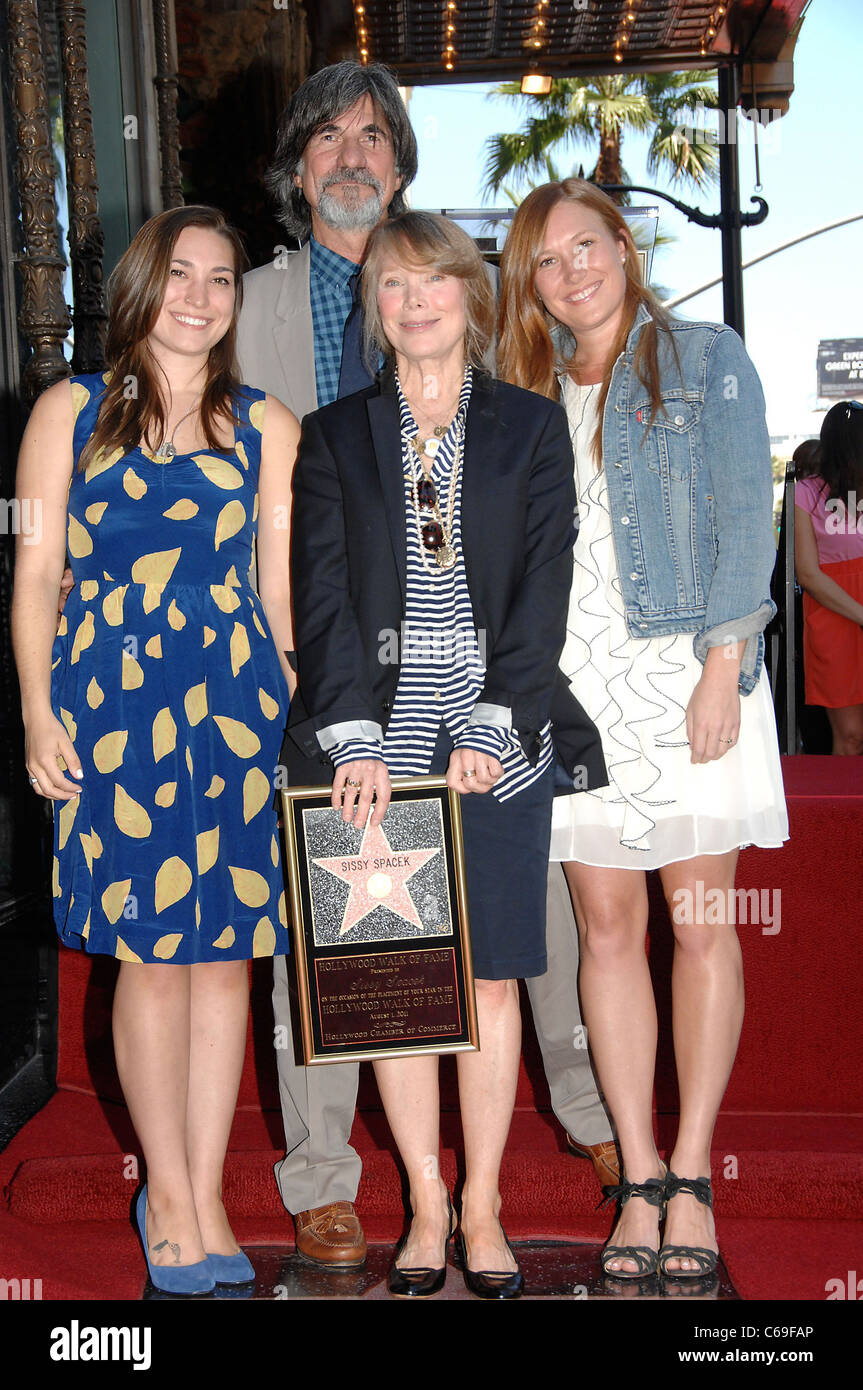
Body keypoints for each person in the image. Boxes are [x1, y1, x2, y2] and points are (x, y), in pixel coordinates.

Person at [236, 59, 616, 1271]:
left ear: (465, 289)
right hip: (376, 739)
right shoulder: (337, 436)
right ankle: (425, 1203)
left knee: (494, 981)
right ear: (377, 307)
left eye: (430, 280)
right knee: (396, 984)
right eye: (390, 287)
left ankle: (491, 1203)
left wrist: (495, 721)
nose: (412, 301)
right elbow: (326, 596)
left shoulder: (527, 425)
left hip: (494, 737)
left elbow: (539, 593)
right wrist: (348, 736)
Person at [498, 178, 789, 1280]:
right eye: (543, 256)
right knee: (607, 934)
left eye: (585, 244)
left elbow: (739, 512)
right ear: (523, 281)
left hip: (685, 684)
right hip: (572, 700)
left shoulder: (701, 358)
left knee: (700, 924)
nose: (569, 269)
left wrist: (722, 665)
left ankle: (694, 1172)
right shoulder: (520, 390)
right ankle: (636, 1179)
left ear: (622, 246)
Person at [12, 205, 298, 1294]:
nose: (200, 296)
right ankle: (166, 1194)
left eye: (221, 279)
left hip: (231, 707)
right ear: (143, 284)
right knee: (147, 950)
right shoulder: (68, 413)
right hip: (111, 711)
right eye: (180, 274)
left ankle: (210, 1188)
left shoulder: (269, 424)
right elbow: (36, 576)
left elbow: (278, 598)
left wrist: (298, 715)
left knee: (223, 951)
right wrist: (39, 712)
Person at [794, 402, 863, 754]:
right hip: (835, 614)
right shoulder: (805, 493)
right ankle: (845, 811)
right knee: (851, 736)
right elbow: (807, 572)